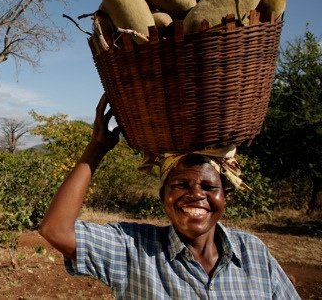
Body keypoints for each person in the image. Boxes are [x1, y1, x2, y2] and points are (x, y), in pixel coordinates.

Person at [39, 93, 300, 299]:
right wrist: (97, 147)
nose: (196, 194)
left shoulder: (253, 253)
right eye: (180, 185)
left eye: (209, 187)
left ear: (225, 195)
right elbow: (56, 230)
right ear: (163, 194)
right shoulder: (135, 250)